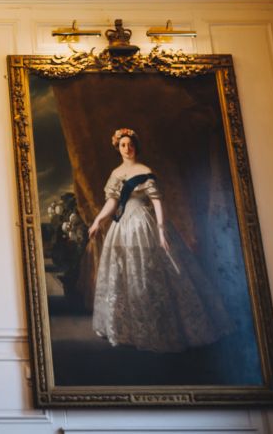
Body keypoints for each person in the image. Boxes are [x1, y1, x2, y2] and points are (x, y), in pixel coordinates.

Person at [86, 128, 231, 352]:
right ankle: (129, 329)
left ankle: (160, 327)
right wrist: (98, 221)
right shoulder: (116, 173)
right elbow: (112, 203)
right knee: (126, 275)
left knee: (152, 273)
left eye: (130, 144)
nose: (127, 148)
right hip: (122, 226)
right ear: (118, 148)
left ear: (136, 146)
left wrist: (161, 229)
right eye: (123, 145)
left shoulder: (145, 170)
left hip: (144, 224)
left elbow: (157, 202)